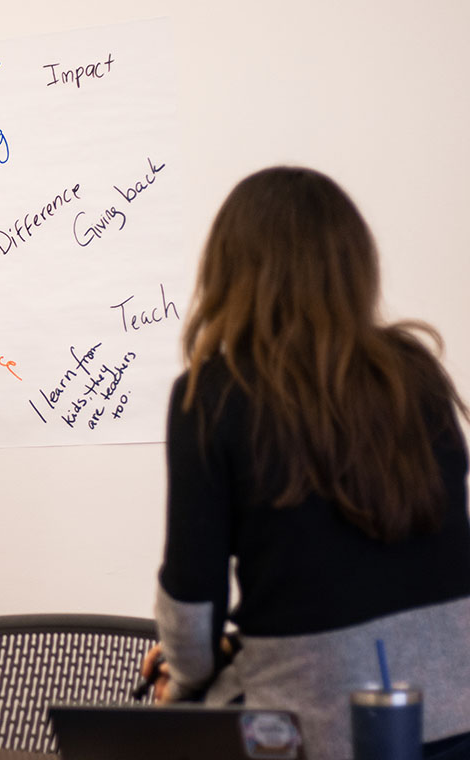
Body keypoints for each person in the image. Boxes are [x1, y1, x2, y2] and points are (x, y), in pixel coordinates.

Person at [138, 167, 470, 759]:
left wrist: (186, 683)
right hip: (453, 718)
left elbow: (191, 614)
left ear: (228, 272)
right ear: (354, 266)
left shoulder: (210, 396)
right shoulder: (416, 376)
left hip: (308, 733)